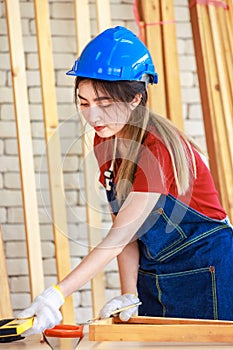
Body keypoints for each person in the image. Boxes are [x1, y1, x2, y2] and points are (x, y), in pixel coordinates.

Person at [19, 26, 233, 335]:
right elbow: (127, 231)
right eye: (84, 103)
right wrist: (128, 293)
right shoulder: (105, 142)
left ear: (134, 98)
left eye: (104, 103)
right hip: (156, 275)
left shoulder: (157, 149)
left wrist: (55, 294)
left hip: (208, 272)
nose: (93, 117)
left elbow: (119, 235)